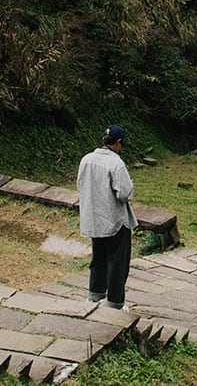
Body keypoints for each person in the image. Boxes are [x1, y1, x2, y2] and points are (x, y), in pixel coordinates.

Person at [77, 124, 137, 308]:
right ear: (118, 142)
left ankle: (94, 295)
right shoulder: (116, 163)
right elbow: (124, 193)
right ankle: (115, 302)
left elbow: (81, 185)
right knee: (118, 262)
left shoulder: (86, 159)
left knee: (99, 258)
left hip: (95, 218)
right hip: (115, 220)